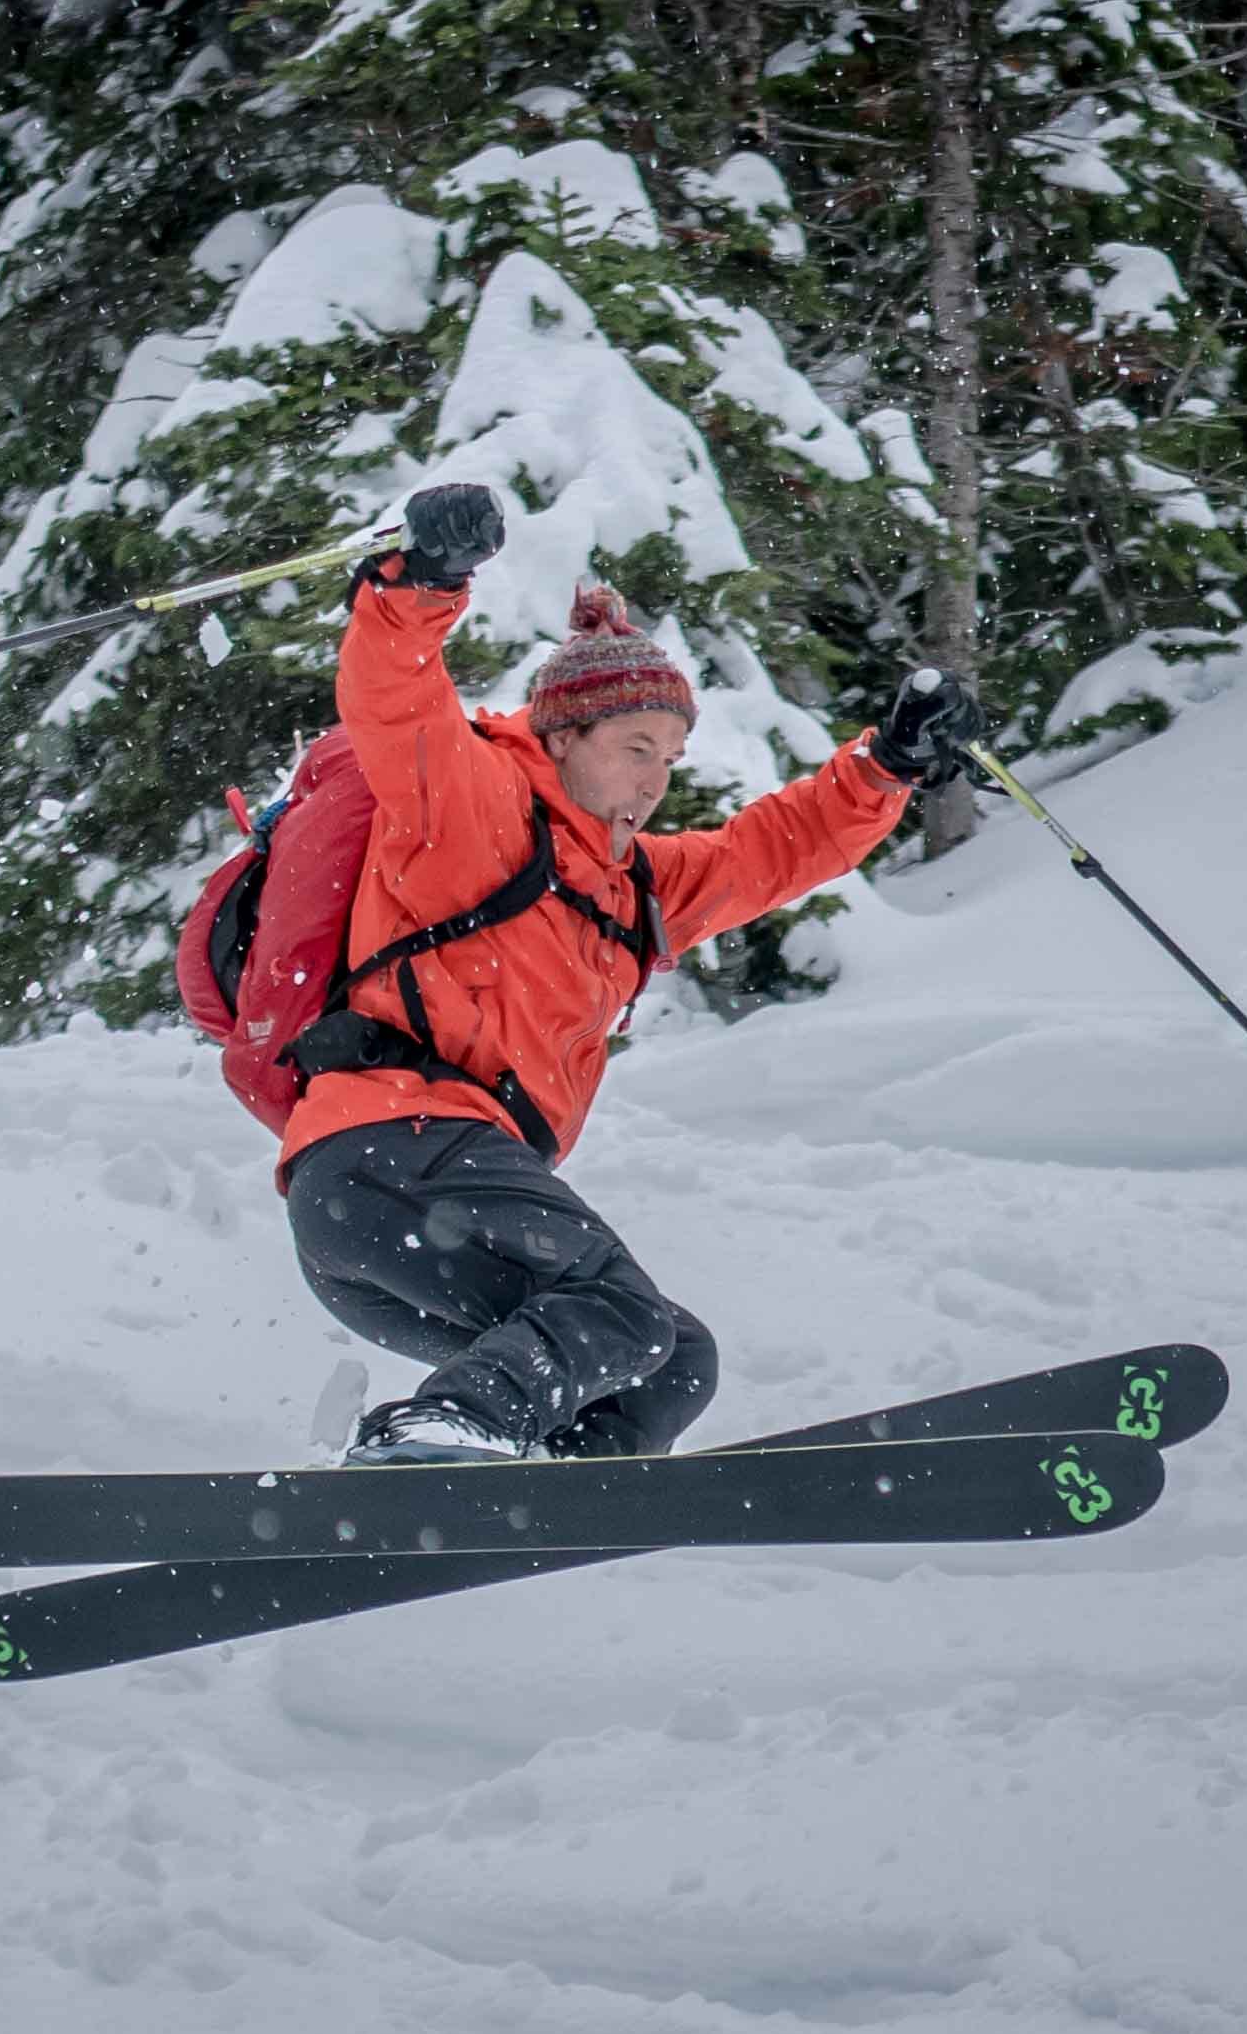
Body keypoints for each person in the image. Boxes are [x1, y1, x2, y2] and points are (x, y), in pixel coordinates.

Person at [280, 483, 984, 1466]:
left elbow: (770, 850)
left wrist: (890, 765)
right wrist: (423, 581)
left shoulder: (633, 887)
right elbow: (395, 700)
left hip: (418, 1219)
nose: (654, 780)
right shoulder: (475, 805)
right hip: (393, 1155)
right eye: (635, 748)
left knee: (670, 1359)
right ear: (563, 737)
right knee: (617, 1309)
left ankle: (552, 1485)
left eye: (672, 757)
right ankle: (434, 1431)